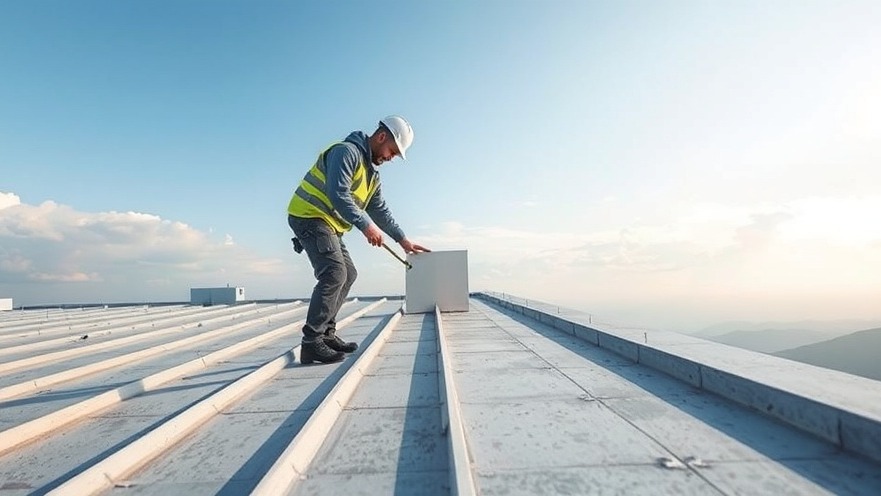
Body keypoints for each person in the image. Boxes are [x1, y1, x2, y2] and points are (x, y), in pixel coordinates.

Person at [287, 115, 431, 364]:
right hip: (308, 215)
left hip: (328, 223)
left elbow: (380, 211)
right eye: (392, 152)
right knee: (334, 273)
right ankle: (311, 342)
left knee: (348, 274)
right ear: (382, 137)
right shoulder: (346, 152)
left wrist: (403, 240)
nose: (391, 158)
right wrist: (366, 227)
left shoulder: (371, 176)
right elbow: (337, 193)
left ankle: (326, 334)